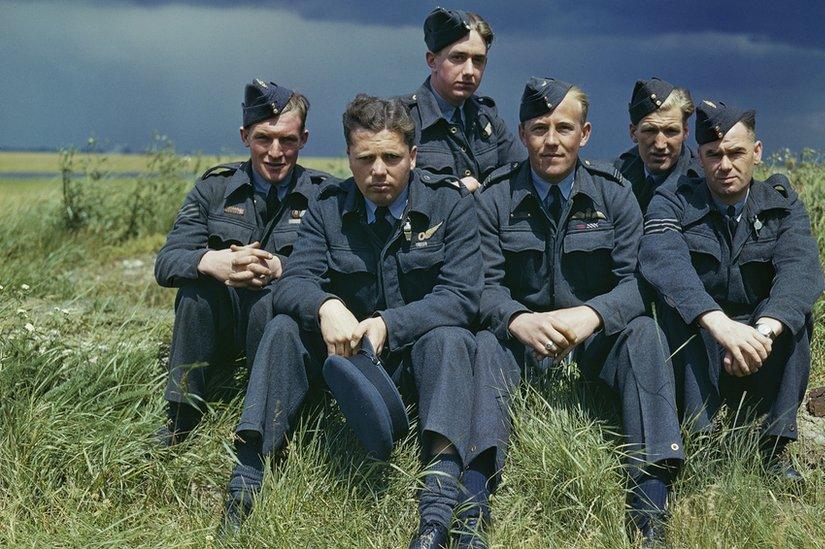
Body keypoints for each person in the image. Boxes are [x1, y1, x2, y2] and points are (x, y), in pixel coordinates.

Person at [221, 94, 483, 549]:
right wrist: (326, 306)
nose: (379, 171)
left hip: (415, 364)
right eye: (365, 159)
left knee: (451, 339)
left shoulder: (450, 205)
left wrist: (387, 325)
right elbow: (294, 281)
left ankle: (437, 512)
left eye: (391, 157)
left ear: (413, 156)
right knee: (284, 327)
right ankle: (246, 482)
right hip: (343, 365)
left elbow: (463, 298)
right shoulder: (327, 206)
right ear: (349, 157)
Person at [472, 77, 683, 547]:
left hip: (592, 342)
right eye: (540, 128)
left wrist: (591, 316)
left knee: (645, 333)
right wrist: (517, 320)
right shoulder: (494, 198)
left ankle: (650, 504)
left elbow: (637, 283)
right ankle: (476, 497)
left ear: (584, 134)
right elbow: (480, 285)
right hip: (520, 342)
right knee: (483, 343)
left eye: (563, 128)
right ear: (523, 134)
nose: (552, 141)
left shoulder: (614, 195)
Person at [638, 99, 824, 482]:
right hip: (703, 339)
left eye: (736, 153)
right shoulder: (673, 200)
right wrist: (719, 325)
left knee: (797, 317)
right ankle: (701, 441)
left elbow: (800, 271)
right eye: (713, 154)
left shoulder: (781, 204)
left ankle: (773, 447)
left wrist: (760, 335)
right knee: (675, 313)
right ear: (700, 157)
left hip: (758, 341)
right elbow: (664, 261)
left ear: (756, 153)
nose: (725, 165)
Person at [153, 79, 332, 446]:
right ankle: (181, 415)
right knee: (194, 290)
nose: (275, 152)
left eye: (288, 140)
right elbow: (167, 262)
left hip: (279, 331)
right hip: (219, 326)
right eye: (264, 138)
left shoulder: (325, 195)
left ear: (305, 140)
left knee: (273, 299)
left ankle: (265, 414)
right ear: (245, 136)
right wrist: (211, 261)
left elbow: (339, 269)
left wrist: (281, 269)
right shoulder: (213, 189)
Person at [401, 7, 522, 192]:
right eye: (458, 57)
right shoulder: (401, 119)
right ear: (432, 61)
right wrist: (453, 190)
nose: (469, 71)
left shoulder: (486, 116)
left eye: (478, 60)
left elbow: (522, 173)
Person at [615, 76, 701, 213]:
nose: (660, 145)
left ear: (685, 132)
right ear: (633, 133)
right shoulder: (617, 174)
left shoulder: (702, 183)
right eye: (650, 130)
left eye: (671, 131)